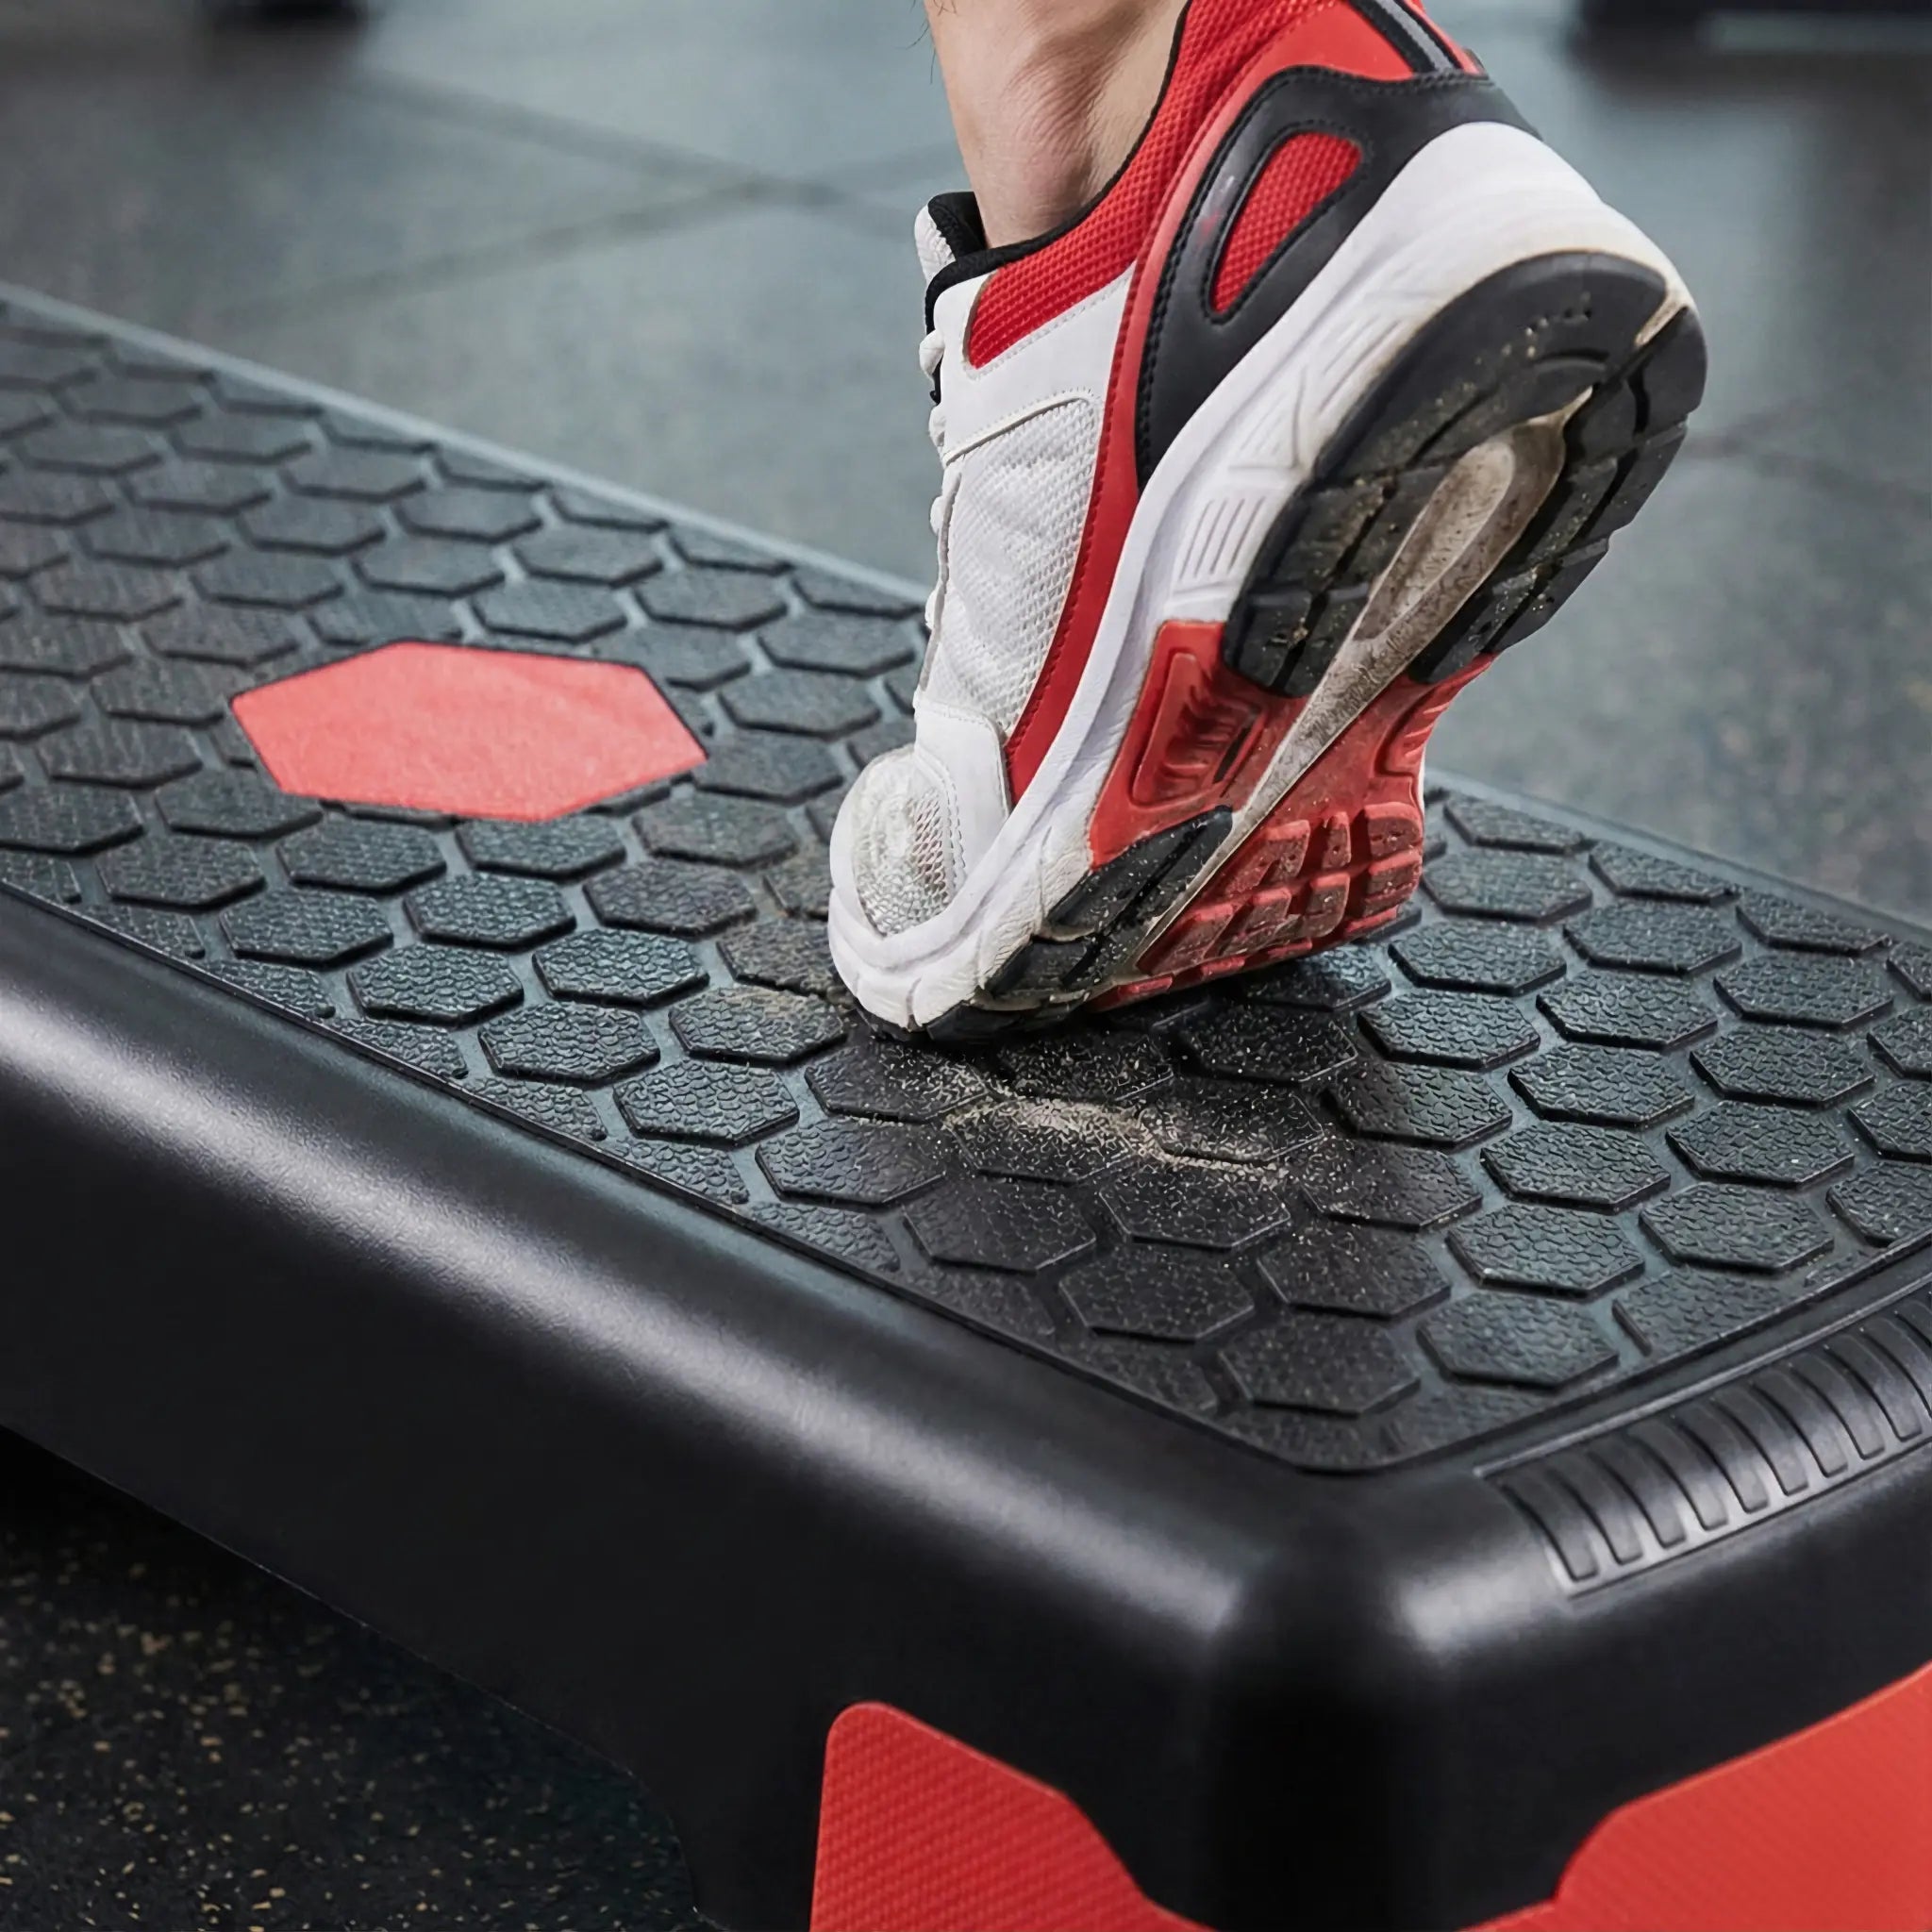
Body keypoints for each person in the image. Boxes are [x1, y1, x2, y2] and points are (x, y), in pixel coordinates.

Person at [827, 0, 1703, 1037]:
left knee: (1054, 48)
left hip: (1193, 206)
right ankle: (1311, 83)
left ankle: (1107, 202)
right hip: (1324, 132)